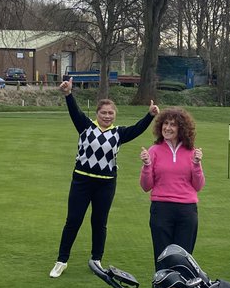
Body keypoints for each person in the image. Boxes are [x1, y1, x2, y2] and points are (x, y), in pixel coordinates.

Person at [50, 82, 159, 277]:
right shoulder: (85, 126)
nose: (107, 116)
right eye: (104, 113)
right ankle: (61, 260)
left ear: (115, 115)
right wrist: (68, 94)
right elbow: (74, 111)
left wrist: (150, 115)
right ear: (97, 113)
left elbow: (138, 129)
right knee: (73, 220)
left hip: (106, 183)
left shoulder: (119, 133)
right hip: (82, 181)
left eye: (110, 113)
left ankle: (96, 259)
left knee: (99, 222)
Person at [140, 107, 204, 262]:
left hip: (187, 211)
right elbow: (146, 186)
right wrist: (147, 165)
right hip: (161, 209)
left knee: (183, 259)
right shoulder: (154, 150)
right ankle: (165, 287)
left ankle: (183, 287)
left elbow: (198, 186)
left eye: (173, 125)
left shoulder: (191, 151)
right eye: (165, 123)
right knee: (163, 257)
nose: (167, 128)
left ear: (181, 128)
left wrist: (197, 164)